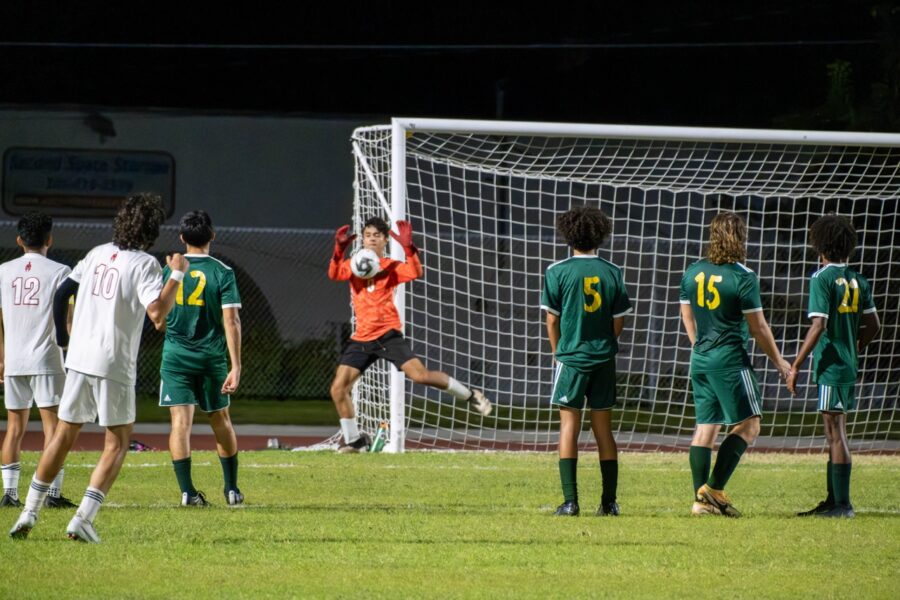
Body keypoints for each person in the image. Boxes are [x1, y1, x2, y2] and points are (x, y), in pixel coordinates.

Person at [9, 193, 186, 543]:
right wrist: (177, 274)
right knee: (117, 442)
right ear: (151, 230)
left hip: (79, 357)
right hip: (112, 360)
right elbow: (157, 314)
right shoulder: (145, 263)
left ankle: (28, 511)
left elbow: (63, 293)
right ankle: (83, 519)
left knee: (62, 435)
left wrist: (63, 339)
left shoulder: (97, 253)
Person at [328, 216, 491, 452]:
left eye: (377, 235)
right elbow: (334, 274)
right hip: (362, 338)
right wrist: (338, 249)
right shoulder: (354, 265)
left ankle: (470, 395)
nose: (371, 239)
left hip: (387, 335)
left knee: (421, 376)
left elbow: (415, 271)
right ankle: (355, 441)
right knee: (338, 389)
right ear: (362, 239)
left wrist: (408, 248)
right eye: (367, 235)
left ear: (385, 240)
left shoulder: (391, 267)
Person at [679, 212, 792, 517]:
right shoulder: (743, 276)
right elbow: (759, 328)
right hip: (729, 361)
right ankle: (713, 489)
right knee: (751, 424)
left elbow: (687, 316)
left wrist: (699, 346)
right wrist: (779, 361)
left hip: (700, 359)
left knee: (706, 427)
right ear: (740, 237)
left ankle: (701, 504)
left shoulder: (692, 271)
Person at [541, 205, 632, 517]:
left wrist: (558, 352)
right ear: (600, 235)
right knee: (603, 429)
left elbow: (551, 320)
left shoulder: (557, 271)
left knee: (569, 426)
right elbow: (619, 320)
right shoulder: (612, 271)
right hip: (604, 358)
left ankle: (570, 502)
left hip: (571, 358)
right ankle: (609, 502)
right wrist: (605, 342)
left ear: (568, 235)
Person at [787, 214, 879, 518]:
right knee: (833, 430)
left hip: (832, 366)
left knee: (835, 431)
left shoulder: (821, 278)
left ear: (821, 246)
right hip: (845, 364)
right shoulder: (858, 280)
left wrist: (796, 364)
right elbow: (874, 325)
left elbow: (818, 326)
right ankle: (832, 500)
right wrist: (856, 346)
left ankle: (842, 505)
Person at [159, 210, 243, 507]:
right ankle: (231, 489)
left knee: (180, 423)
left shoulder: (170, 269)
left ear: (182, 237)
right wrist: (236, 365)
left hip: (176, 357)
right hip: (211, 358)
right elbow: (231, 321)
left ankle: (187, 492)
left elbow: (159, 315)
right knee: (220, 419)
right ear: (213, 235)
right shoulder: (223, 271)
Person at [0, 213, 76, 509]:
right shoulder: (61, 271)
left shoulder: (4, 270)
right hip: (47, 359)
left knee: (14, 429)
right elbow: (68, 320)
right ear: (49, 239)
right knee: (53, 430)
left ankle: (9, 494)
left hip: (15, 359)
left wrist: (2, 356)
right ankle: (52, 495)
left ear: (19, 240)